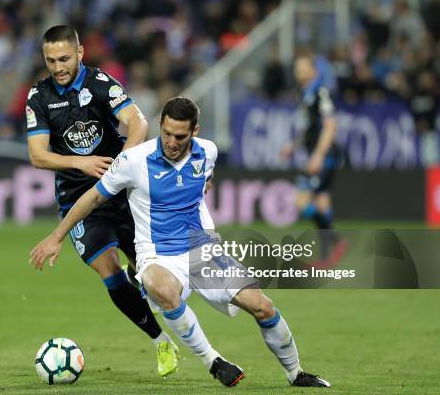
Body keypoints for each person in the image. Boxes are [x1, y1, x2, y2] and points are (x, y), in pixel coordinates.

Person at [30, 97, 331, 388]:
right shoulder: (133, 161)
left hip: (203, 249)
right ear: (160, 125)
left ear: (195, 131)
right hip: (157, 255)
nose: (172, 142)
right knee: (161, 287)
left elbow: (204, 181)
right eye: (166, 133)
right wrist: (56, 236)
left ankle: (296, 373)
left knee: (262, 306)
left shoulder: (208, 152)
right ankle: (213, 361)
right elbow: (93, 197)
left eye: (180, 136)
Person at [25, 25, 178, 377]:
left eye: (64, 58)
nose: (58, 67)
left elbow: (138, 124)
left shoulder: (101, 84)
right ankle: (160, 342)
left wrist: (118, 170)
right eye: (51, 60)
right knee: (108, 272)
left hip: (121, 192)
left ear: (80, 53)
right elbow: (37, 155)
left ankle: (138, 273)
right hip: (77, 200)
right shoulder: (39, 97)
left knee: (154, 273)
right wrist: (80, 162)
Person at [280, 52, 346, 263]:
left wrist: (318, 156)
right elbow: (309, 128)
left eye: (302, 68)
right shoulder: (305, 93)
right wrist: (293, 145)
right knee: (322, 202)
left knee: (301, 202)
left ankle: (336, 241)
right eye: (296, 68)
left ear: (313, 70)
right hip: (317, 153)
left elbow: (330, 126)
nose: (298, 72)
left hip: (325, 155)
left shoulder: (321, 92)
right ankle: (327, 258)